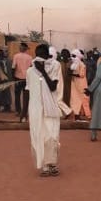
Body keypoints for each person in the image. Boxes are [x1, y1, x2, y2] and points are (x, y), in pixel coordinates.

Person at [27, 43, 63, 177]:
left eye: (42, 55)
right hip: (36, 110)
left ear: (48, 56)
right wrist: (24, 112)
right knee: (39, 136)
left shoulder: (55, 67)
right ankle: (44, 166)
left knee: (52, 136)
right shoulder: (30, 71)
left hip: (51, 109)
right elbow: (28, 91)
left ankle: (52, 163)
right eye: (38, 56)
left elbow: (53, 87)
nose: (40, 59)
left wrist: (42, 71)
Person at [12, 42, 32, 120]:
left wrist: (13, 77)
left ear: (20, 49)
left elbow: (13, 67)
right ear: (26, 49)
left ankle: (18, 111)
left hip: (18, 78)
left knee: (17, 95)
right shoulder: (30, 57)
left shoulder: (16, 56)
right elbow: (31, 67)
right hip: (27, 78)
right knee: (26, 96)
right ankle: (25, 111)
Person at [69, 49, 91, 120]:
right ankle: (77, 115)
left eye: (74, 56)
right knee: (75, 100)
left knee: (84, 99)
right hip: (75, 84)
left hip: (81, 84)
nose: (72, 57)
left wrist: (72, 74)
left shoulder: (82, 64)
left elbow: (82, 75)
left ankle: (88, 115)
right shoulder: (74, 64)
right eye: (72, 56)